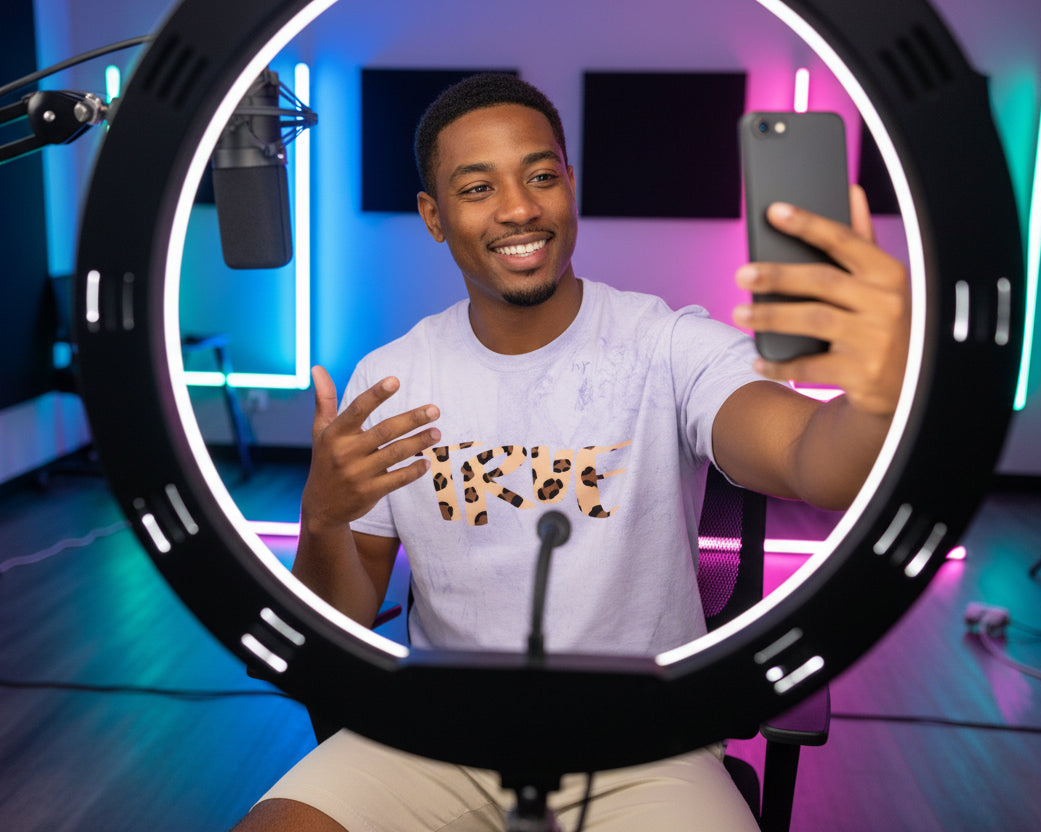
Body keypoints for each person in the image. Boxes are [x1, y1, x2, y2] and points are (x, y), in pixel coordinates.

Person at [234, 73, 909, 831]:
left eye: (541, 176)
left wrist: (875, 394)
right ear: (433, 216)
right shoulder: (390, 381)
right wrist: (322, 520)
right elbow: (339, 623)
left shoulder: (669, 345)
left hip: (648, 746)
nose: (519, 208)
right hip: (433, 731)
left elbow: (814, 463)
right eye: (477, 187)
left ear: (570, 186)